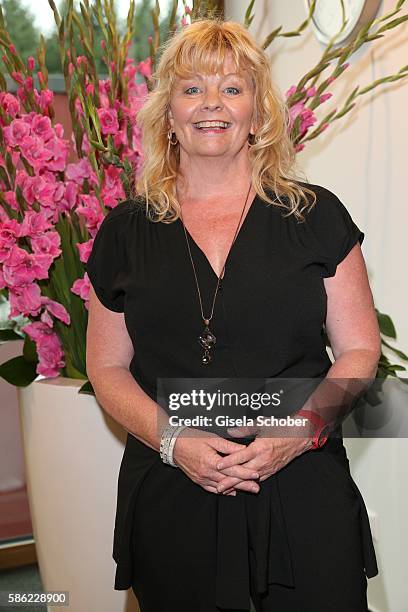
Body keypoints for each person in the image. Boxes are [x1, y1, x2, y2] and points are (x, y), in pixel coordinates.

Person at [86, 18, 381, 612]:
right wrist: (175, 442)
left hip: (302, 487)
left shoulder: (315, 216)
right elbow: (107, 369)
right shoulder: (124, 231)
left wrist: (292, 438)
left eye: (231, 87)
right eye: (191, 88)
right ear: (168, 114)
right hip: (173, 488)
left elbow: (359, 352)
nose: (211, 104)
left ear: (259, 112)